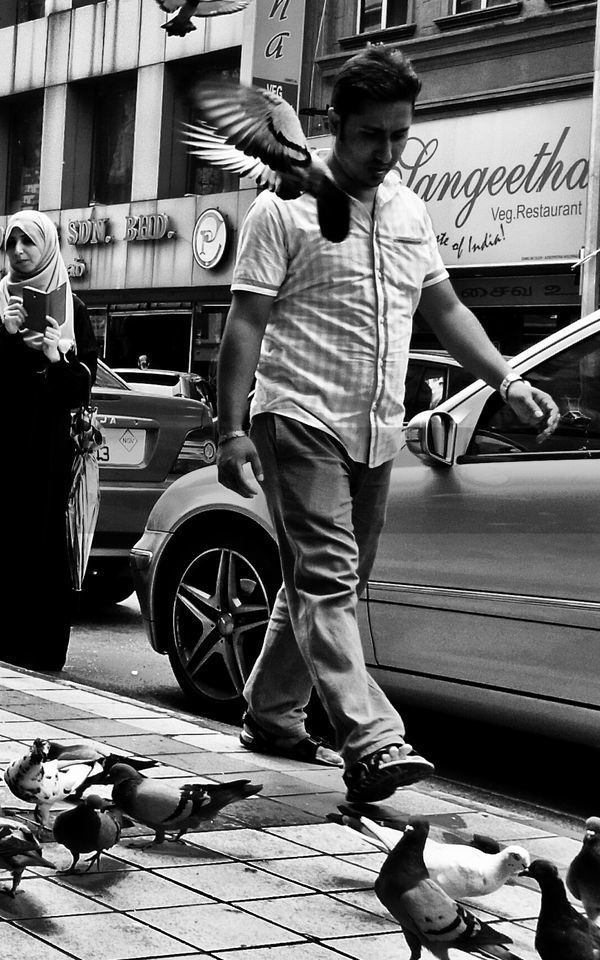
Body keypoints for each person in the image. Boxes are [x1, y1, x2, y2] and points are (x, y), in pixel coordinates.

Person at [216, 46, 560, 804]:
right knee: (330, 580)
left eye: (401, 134)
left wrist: (508, 377)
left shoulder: (409, 209)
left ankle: (270, 716)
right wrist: (230, 427)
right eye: (373, 134)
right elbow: (245, 325)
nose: (388, 151)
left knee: (323, 584)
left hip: (376, 428)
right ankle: (371, 740)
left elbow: (446, 308)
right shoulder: (283, 210)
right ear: (337, 125)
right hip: (298, 415)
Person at [0, 210, 98, 673]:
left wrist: (55, 358)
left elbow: (81, 385)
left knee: (38, 539)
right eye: (12, 244)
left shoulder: (74, 310)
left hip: (44, 447)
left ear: (46, 246)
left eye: (28, 243)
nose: (19, 252)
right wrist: (5, 334)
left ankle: (32, 648)